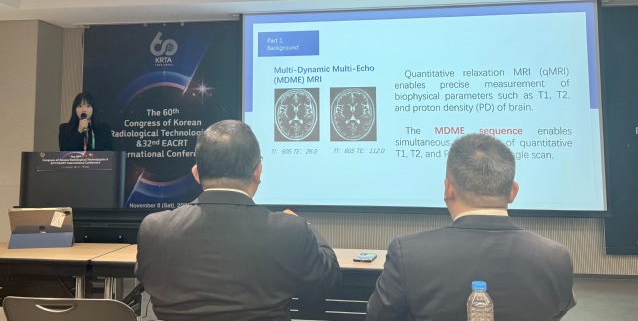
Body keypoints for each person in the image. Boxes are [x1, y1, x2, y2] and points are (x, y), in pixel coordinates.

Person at [135, 120, 341, 321]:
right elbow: (326, 281)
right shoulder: (290, 230)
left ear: (196, 174)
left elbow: (145, 277)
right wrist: (306, 226)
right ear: (257, 172)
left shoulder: (154, 229)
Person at [367, 133, 576, 321]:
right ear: (513, 191)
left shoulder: (408, 254)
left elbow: (378, 317)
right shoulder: (556, 257)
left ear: (448, 189)